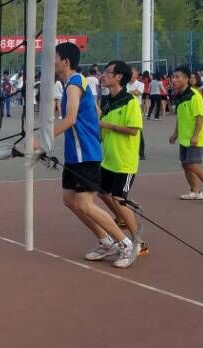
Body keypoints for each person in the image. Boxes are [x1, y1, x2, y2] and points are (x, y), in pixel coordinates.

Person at [53, 42, 136, 269]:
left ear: (65, 61)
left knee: (85, 203)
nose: (52, 62)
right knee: (70, 199)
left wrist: (43, 140)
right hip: (75, 155)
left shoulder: (75, 83)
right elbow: (94, 113)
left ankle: (126, 243)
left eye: (55, 57)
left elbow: (70, 119)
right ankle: (105, 241)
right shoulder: (72, 84)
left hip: (86, 154)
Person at [99, 61, 145, 260]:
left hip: (124, 161)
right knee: (101, 192)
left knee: (118, 198)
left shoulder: (130, 101)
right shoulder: (107, 101)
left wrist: (107, 125)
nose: (103, 75)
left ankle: (139, 242)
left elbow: (133, 130)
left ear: (119, 77)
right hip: (108, 158)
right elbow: (100, 128)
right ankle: (123, 218)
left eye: (108, 72)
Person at [170, 66, 203, 205]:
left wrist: (195, 136)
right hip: (184, 137)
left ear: (186, 79)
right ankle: (195, 191)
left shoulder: (194, 95)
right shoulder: (179, 96)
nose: (173, 79)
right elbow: (180, 117)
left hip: (196, 137)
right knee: (185, 164)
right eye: (173, 77)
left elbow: (200, 116)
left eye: (177, 77)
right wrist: (175, 133)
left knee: (193, 164)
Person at [126, 68, 146, 161]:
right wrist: (131, 91)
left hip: (136, 109)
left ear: (137, 75)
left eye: (132, 73)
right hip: (126, 108)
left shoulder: (140, 84)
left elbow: (138, 93)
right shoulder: (126, 84)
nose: (130, 75)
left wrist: (127, 91)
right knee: (126, 129)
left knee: (137, 131)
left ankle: (141, 153)